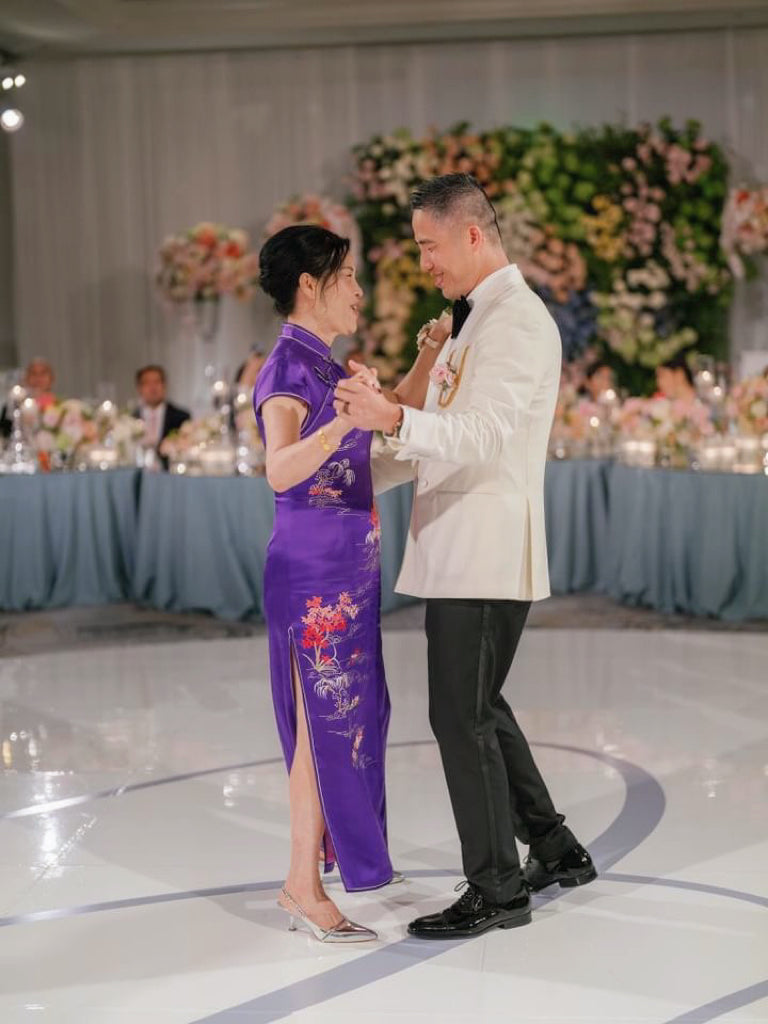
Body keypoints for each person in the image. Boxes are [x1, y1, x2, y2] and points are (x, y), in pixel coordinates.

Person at [334, 173, 596, 940]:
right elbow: (438, 432)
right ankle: (552, 846)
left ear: (472, 235)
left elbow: (483, 437)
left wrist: (395, 419)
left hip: (484, 546)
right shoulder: (473, 320)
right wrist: (367, 457)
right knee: (480, 708)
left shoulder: (515, 322)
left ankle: (497, 888)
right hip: (459, 544)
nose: (424, 263)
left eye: (429, 246)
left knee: (460, 716)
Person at [253, 224, 449, 943]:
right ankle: (302, 885)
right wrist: (337, 423)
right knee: (319, 729)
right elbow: (279, 470)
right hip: (311, 574)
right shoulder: (285, 371)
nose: (361, 293)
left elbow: (388, 417)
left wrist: (427, 355)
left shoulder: (329, 368)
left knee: (342, 723)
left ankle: (308, 877)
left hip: (348, 569)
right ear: (311, 285)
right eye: (349, 279)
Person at [133, 365, 190, 466]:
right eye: (147, 383)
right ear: (139, 388)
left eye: (157, 382)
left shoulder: (181, 417)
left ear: (164, 386)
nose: (152, 387)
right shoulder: (130, 419)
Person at [1, 357, 56, 438]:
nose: (38, 378)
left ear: (51, 379)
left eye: (43, 373)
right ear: (26, 378)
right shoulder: (13, 407)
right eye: (33, 373)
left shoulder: (62, 407)